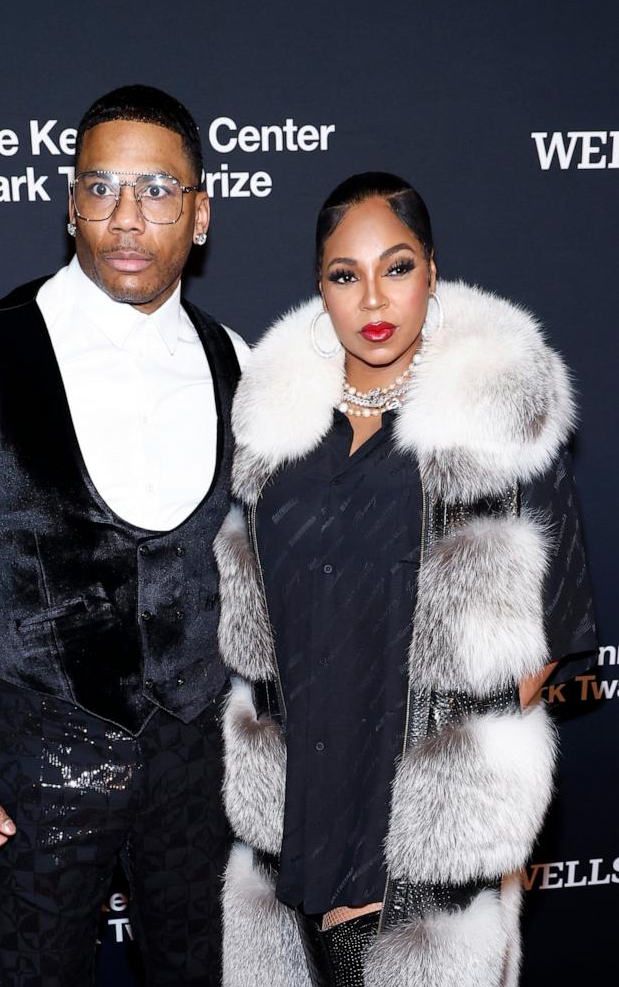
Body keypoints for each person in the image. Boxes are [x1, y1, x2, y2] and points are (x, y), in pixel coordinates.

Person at [0, 84, 249, 987]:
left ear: (198, 216)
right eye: (101, 188)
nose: (127, 217)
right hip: (37, 756)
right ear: (70, 205)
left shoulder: (236, 356)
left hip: (200, 755)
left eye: (157, 191)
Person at [213, 172, 596, 987]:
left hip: (421, 833)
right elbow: (261, 637)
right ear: (320, 289)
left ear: (432, 271)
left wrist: (429, 811)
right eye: (345, 276)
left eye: (397, 267)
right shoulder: (272, 443)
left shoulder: (496, 433)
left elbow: (554, 638)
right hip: (296, 819)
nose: (373, 298)